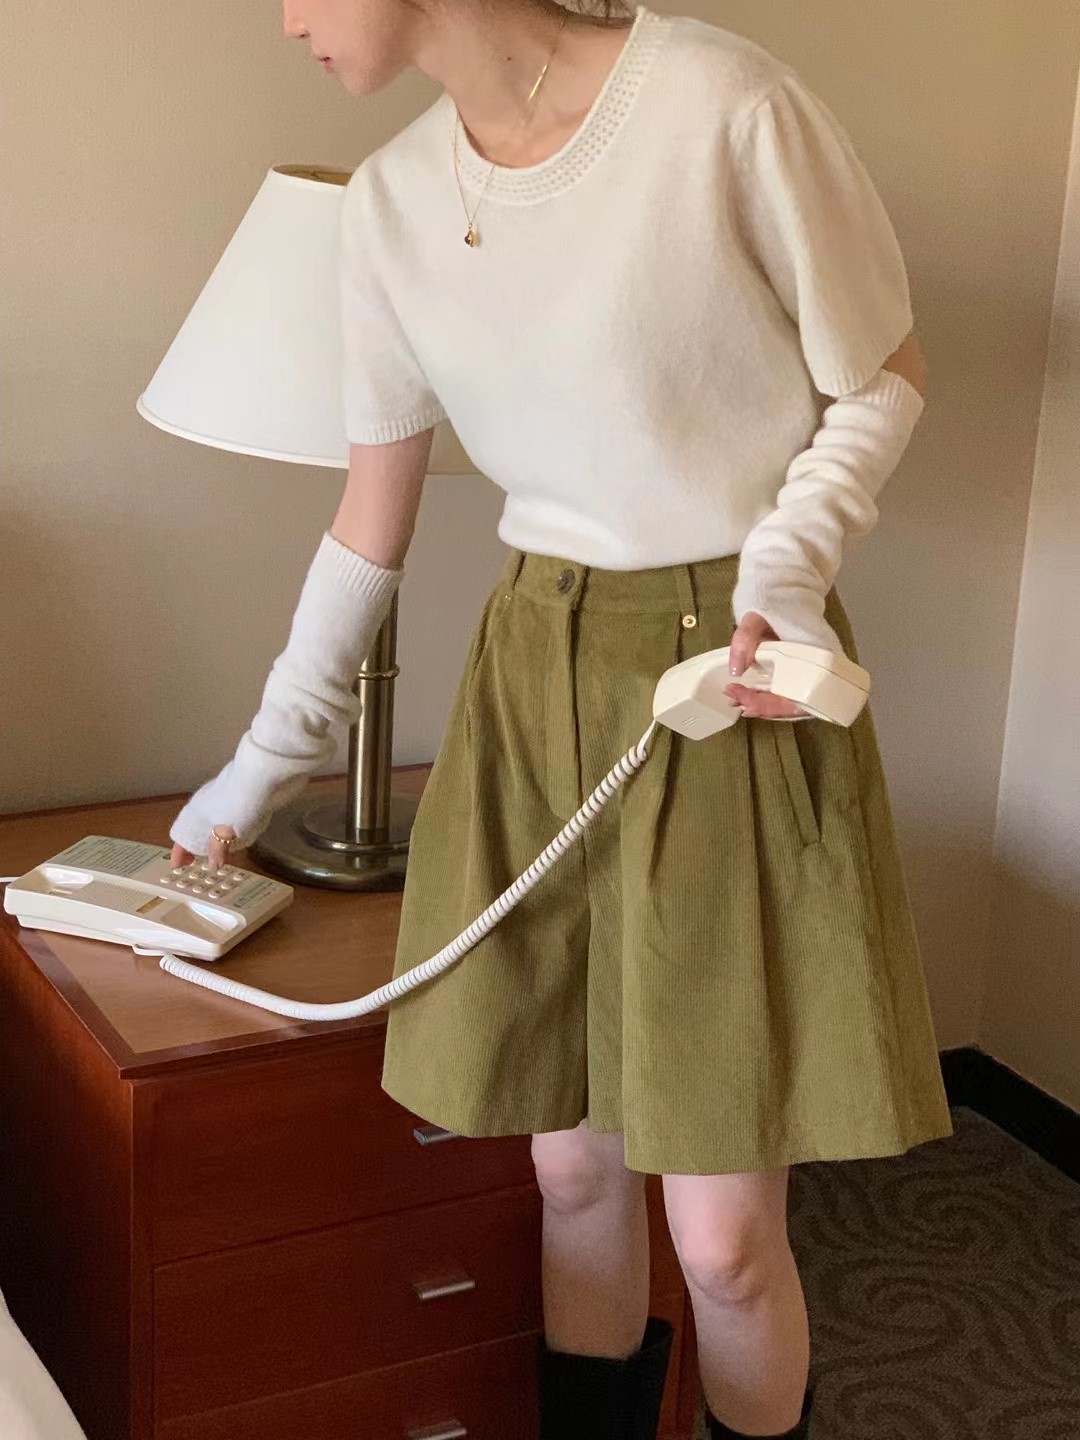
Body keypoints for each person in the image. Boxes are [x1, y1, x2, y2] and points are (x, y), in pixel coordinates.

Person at [168, 2, 954, 1435]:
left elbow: (881, 374)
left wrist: (788, 564)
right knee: (572, 1170)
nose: (287, 19)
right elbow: (368, 526)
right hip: (535, 668)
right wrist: (257, 766)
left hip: (727, 671)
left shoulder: (723, 105)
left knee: (721, 1237)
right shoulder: (391, 203)